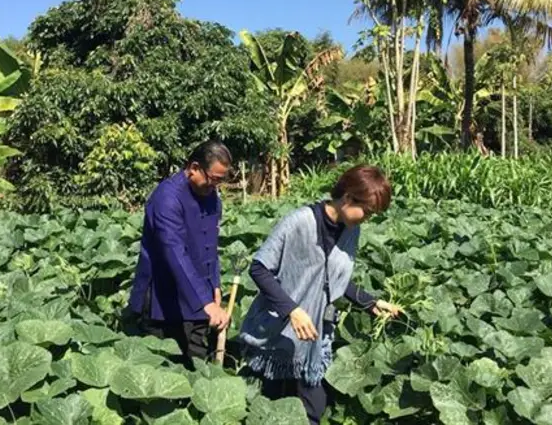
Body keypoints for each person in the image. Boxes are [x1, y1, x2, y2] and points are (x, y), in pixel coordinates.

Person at [238, 164, 401, 424]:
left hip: (314, 336)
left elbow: (335, 279)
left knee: (313, 409)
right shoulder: (299, 222)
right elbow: (259, 268)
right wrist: (292, 310)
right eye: (368, 212)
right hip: (279, 332)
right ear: (348, 198)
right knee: (274, 406)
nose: (367, 219)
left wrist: (371, 302)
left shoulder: (351, 231)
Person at [124, 140, 231, 367]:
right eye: (213, 179)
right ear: (194, 167)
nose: (215, 186)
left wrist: (214, 284)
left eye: (220, 181)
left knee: (197, 368)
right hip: (162, 300)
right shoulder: (166, 198)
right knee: (160, 368)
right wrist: (205, 302)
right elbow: (174, 251)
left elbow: (210, 245)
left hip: (198, 297)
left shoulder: (211, 196)